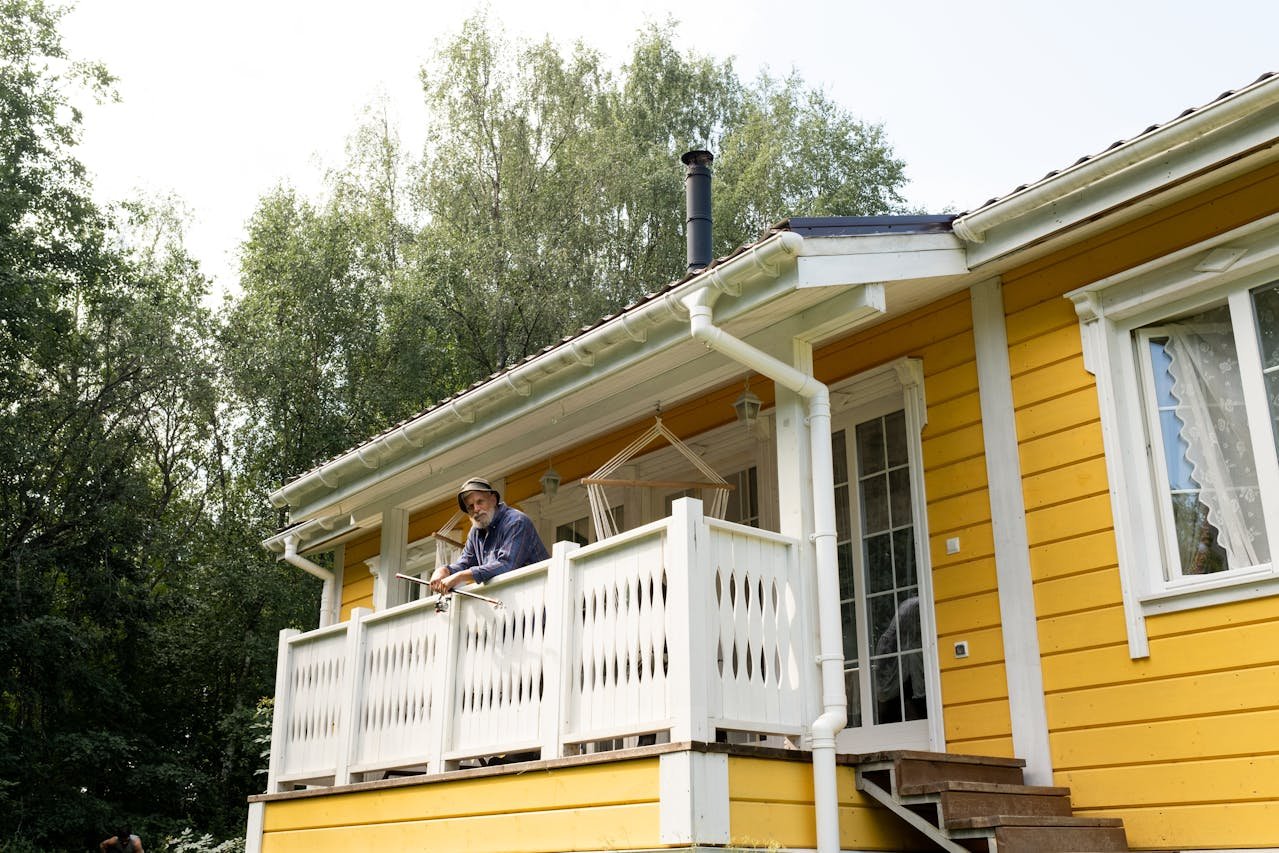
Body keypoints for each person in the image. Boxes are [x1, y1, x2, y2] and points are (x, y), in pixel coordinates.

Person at [429, 477, 548, 595]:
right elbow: (464, 563)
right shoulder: (475, 532)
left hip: (539, 599)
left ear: (493, 500)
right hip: (507, 601)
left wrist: (460, 576)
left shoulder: (516, 521)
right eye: (470, 507)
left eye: (480, 502)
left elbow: (506, 565)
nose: (476, 509)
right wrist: (444, 570)